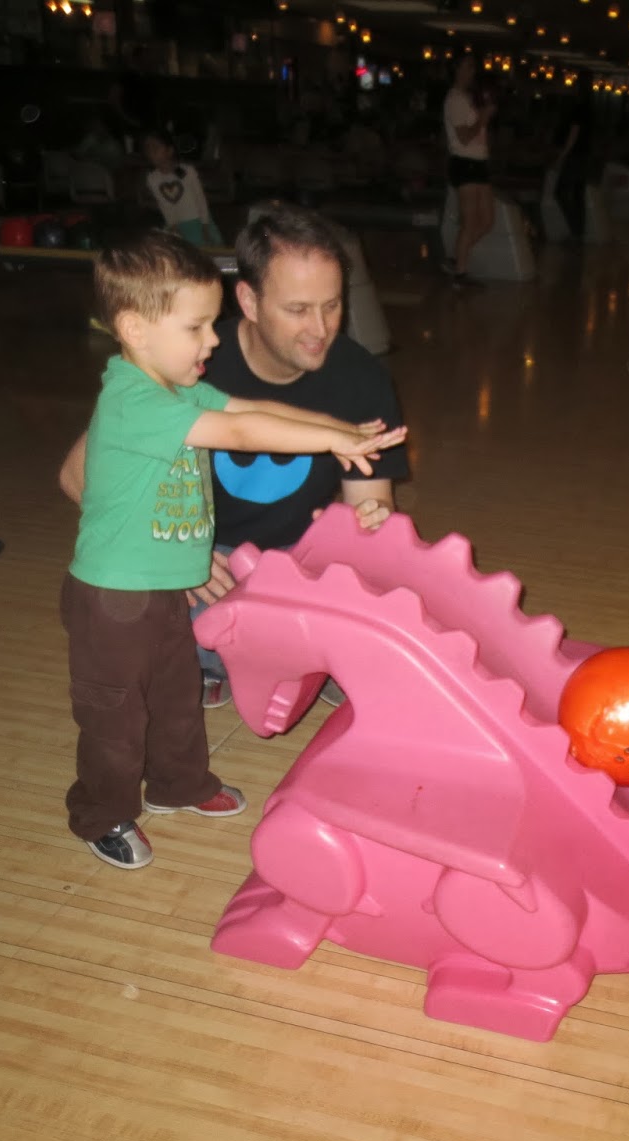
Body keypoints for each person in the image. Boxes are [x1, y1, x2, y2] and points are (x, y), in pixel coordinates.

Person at [60, 228, 405, 869]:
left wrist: (346, 432)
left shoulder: (180, 387)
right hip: (111, 599)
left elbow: (251, 405)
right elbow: (243, 427)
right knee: (115, 719)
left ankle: (179, 785)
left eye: (210, 326)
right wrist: (336, 444)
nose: (210, 341)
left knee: (174, 694)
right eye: (196, 328)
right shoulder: (137, 401)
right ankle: (100, 814)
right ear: (134, 329)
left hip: (163, 586)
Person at [441, 54, 495, 286]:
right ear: (457, 71)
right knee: (471, 221)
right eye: (468, 66)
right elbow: (463, 137)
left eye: (473, 67)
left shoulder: (468, 98)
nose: (472, 72)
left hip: (479, 162)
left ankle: (456, 260)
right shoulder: (454, 99)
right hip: (465, 162)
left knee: (487, 220)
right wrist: (483, 118)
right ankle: (459, 274)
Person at [142, 128, 223, 246]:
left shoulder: (187, 172)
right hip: (177, 224)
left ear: (169, 151)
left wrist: (204, 224)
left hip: (197, 220)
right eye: (148, 148)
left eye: (155, 148)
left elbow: (200, 198)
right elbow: (164, 204)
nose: (151, 152)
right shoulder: (153, 178)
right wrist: (172, 225)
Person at [552, 79, 595, 241]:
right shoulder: (590, 110)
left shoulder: (578, 110)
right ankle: (578, 230)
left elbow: (573, 135)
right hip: (584, 155)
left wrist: (561, 156)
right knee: (578, 193)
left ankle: (575, 229)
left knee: (561, 192)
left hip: (575, 156)